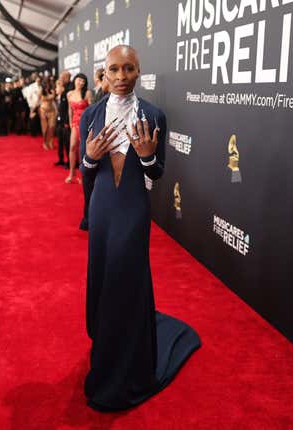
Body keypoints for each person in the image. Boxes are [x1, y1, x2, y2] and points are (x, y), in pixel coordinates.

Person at [79, 45, 200, 411]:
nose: (120, 77)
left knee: (126, 275)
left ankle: (129, 358)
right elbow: (87, 170)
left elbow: (157, 171)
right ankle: (106, 346)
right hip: (102, 207)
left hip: (133, 207)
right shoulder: (90, 115)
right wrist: (89, 157)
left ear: (138, 71)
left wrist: (148, 155)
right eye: (113, 69)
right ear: (103, 73)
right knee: (103, 274)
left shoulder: (154, 114)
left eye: (127, 69)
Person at [66, 73, 92, 184]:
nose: (80, 82)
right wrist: (70, 123)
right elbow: (70, 110)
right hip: (75, 123)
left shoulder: (87, 93)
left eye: (83, 81)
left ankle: (83, 175)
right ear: (75, 80)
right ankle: (72, 173)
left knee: (83, 150)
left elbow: (91, 109)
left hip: (85, 124)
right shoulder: (69, 94)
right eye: (79, 80)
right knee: (72, 147)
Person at [39, 79, 56, 150]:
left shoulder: (52, 91)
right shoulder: (41, 92)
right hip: (43, 111)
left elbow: (53, 99)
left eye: (48, 84)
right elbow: (39, 101)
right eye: (45, 84)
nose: (47, 85)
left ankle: (50, 142)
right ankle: (45, 142)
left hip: (52, 111)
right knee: (45, 128)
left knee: (51, 127)